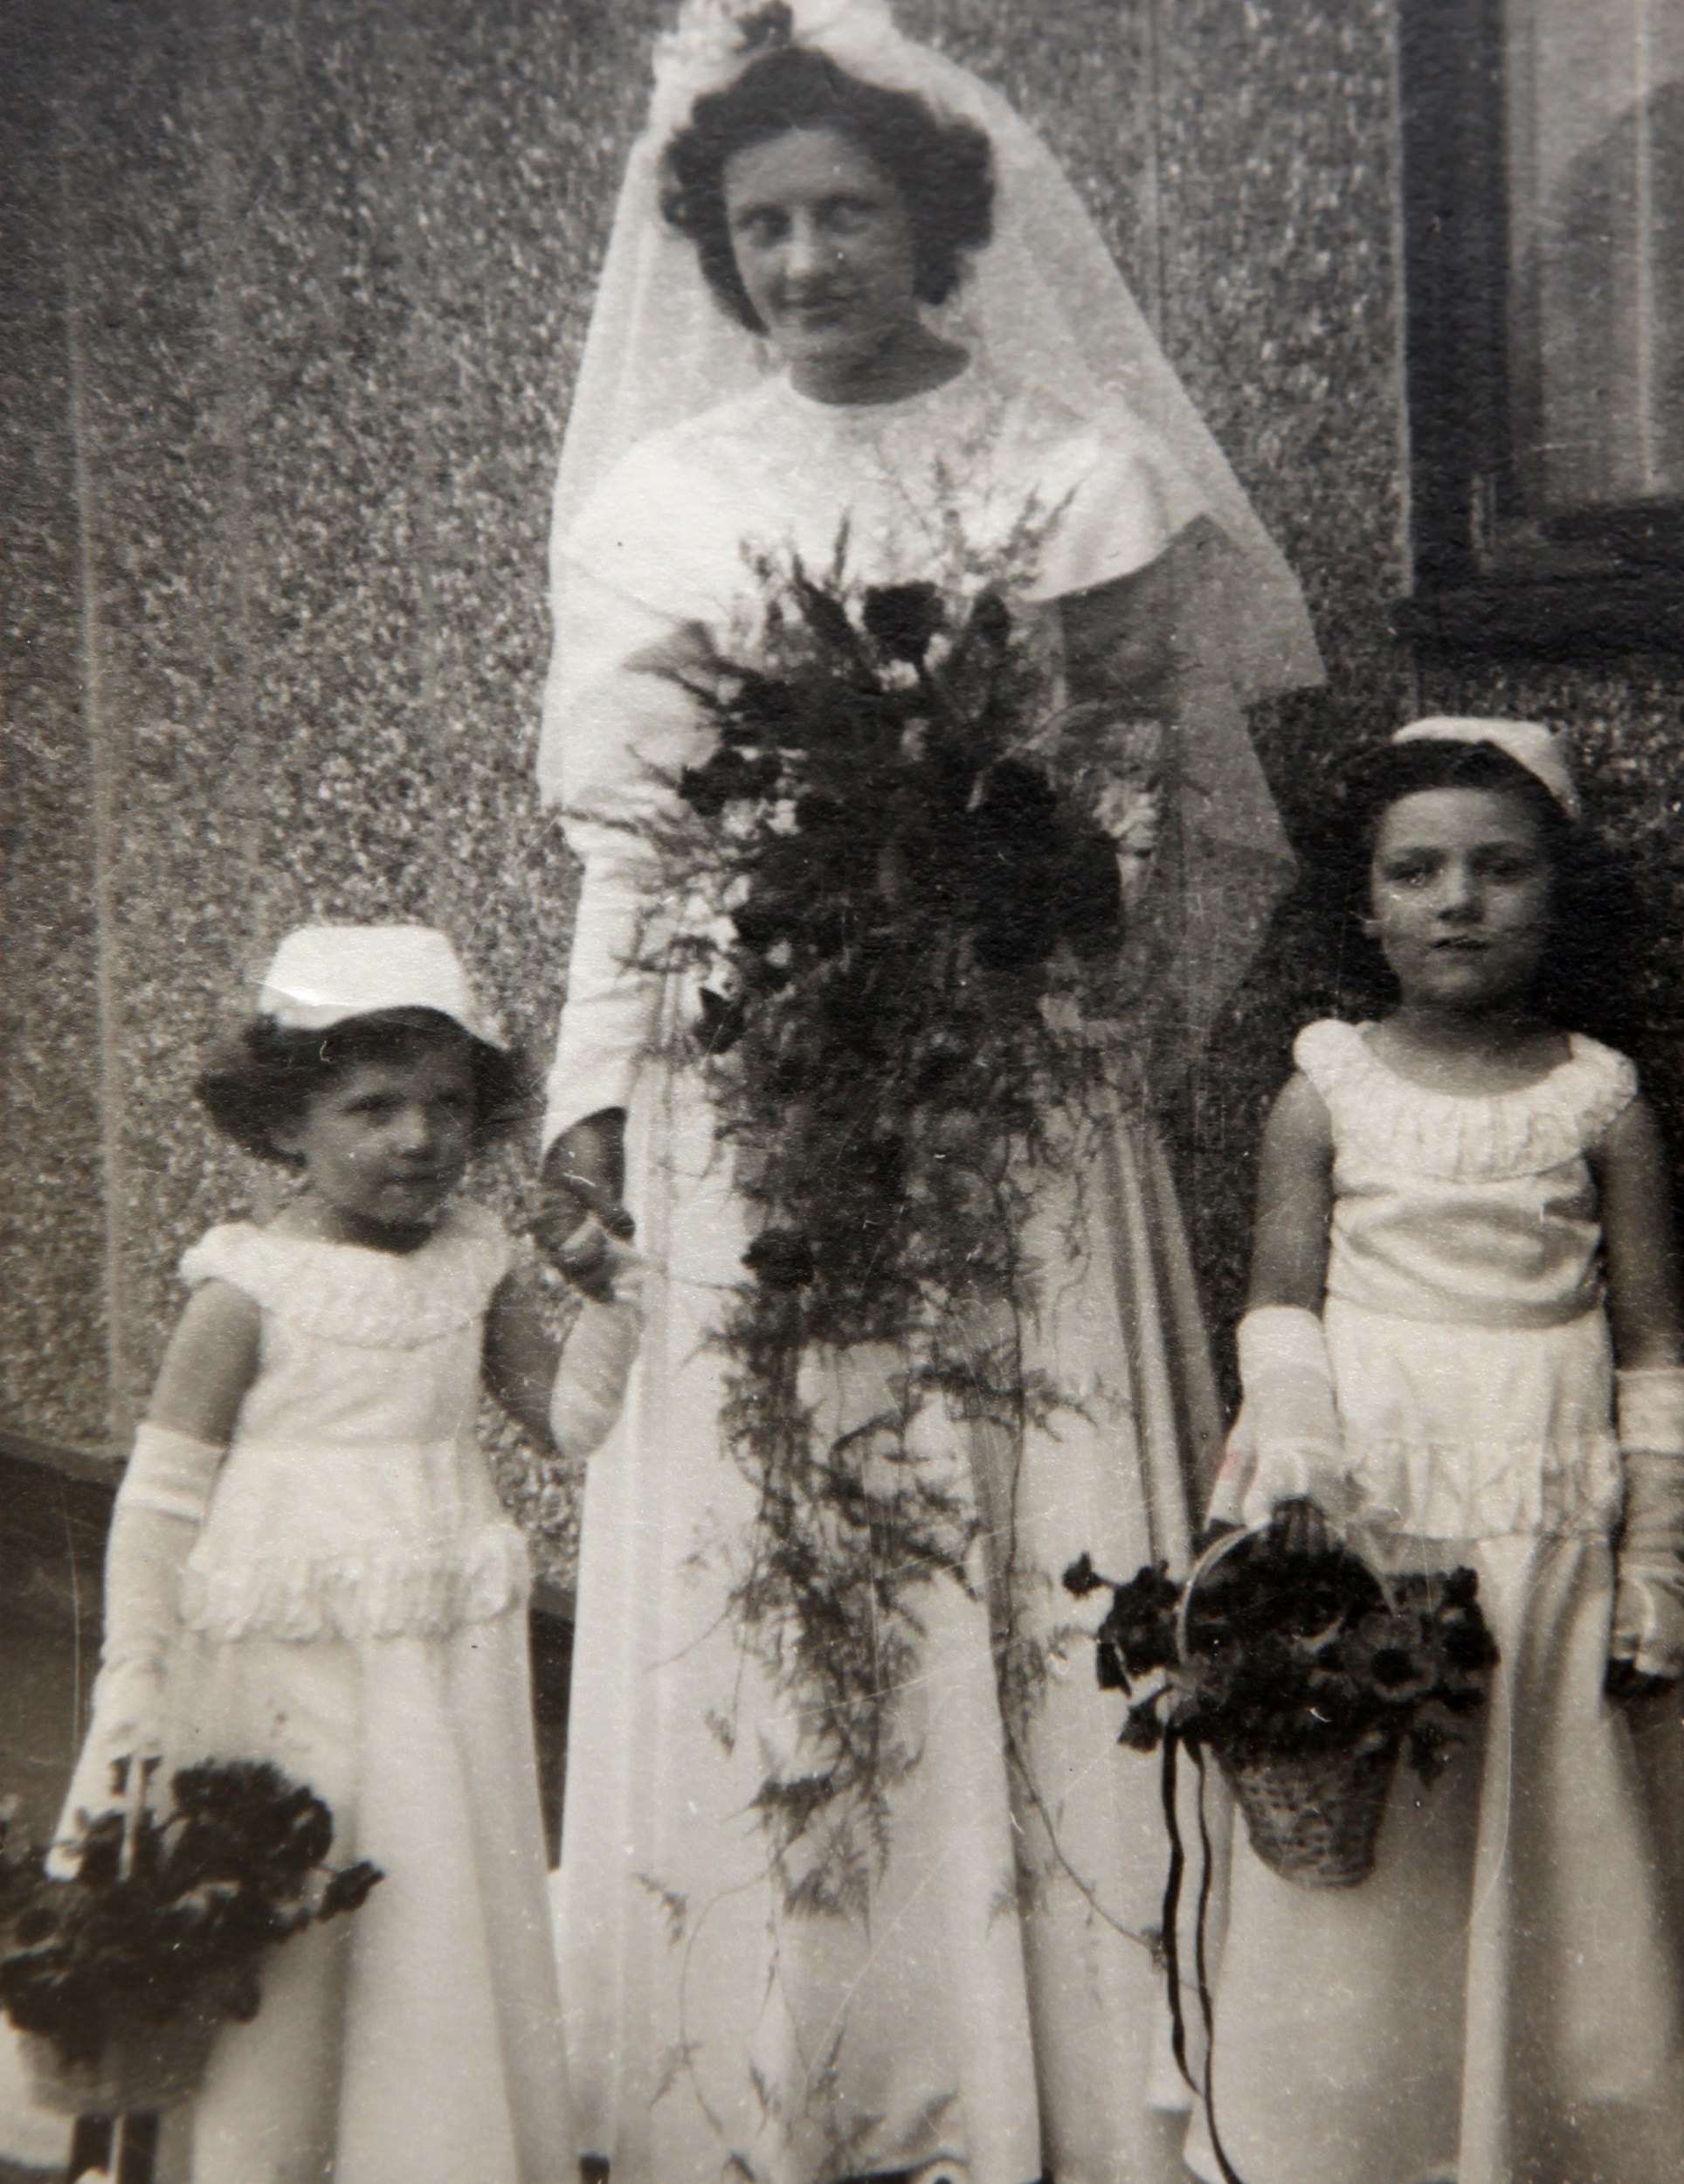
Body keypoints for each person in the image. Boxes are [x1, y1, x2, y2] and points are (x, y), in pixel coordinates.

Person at [535, 6, 1322, 2181]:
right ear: (716, 242)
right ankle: (783, 2053)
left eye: (847, 213)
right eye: (764, 223)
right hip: (749, 1077)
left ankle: (1055, 2049)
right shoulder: (666, 501)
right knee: (774, 1512)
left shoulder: (1069, 473)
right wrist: (596, 1099)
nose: (804, 261)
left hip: (999, 1079)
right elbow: (629, 845)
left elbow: (1125, 801)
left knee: (1013, 1480)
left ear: (935, 221)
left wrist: (991, 953)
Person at [55, 924, 642, 2184]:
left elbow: (574, 1423)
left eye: (445, 1105)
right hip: (285, 1661)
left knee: (430, 1906)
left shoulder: (478, 1266)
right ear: (284, 1126)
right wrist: (135, 1680)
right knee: (295, 1916)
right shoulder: (248, 1291)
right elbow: (160, 1500)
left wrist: (611, 1298)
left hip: (435, 1654)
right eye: (372, 1107)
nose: (419, 1139)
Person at [1202, 720, 1684, 2184]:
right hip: (1373, 1491)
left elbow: (1656, 1345)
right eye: (1417, 871)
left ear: (1557, 893)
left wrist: (1659, 1549)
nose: (1458, 899)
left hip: (1544, 1504)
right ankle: (1352, 2145)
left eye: (1500, 868)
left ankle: (1543, 2144)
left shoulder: (1598, 1097)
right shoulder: (1328, 1085)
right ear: (1366, 906)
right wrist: (1299, 1452)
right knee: (1380, 1835)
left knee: (1554, 1830)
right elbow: (1282, 1300)